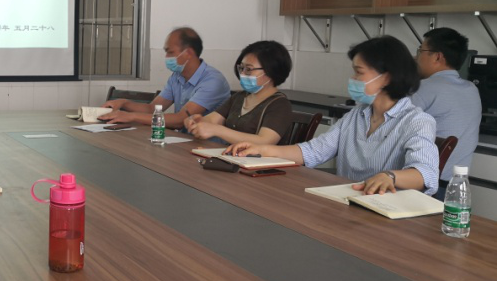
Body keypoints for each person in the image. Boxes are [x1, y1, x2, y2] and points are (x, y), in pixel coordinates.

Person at [228, 36, 439, 196]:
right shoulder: (355, 116)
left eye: (359, 72)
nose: (353, 78)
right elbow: (313, 151)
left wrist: (390, 176)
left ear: (386, 78)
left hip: (388, 213)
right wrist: (262, 149)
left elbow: (426, 174)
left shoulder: (417, 122)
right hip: (349, 202)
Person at [100, 27, 231, 129]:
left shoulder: (213, 81)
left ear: (189, 53)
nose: (167, 57)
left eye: (170, 52)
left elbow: (181, 119)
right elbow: (153, 109)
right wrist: (124, 103)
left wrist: (131, 116)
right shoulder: (176, 77)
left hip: (209, 147)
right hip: (184, 140)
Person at [411, 27, 481, 199]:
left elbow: (390, 127)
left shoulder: (424, 88)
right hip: (457, 187)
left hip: (424, 185)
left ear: (437, 57)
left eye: (421, 51)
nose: (417, 57)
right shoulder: (472, 89)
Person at [184, 41, 294, 145]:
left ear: (271, 71)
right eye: (241, 68)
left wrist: (218, 130)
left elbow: (264, 141)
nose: (242, 74)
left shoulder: (280, 105)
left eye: (249, 69)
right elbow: (213, 119)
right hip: (229, 155)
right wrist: (199, 121)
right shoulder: (239, 97)